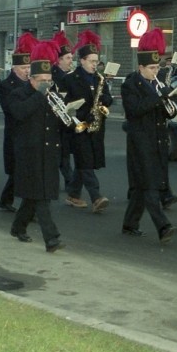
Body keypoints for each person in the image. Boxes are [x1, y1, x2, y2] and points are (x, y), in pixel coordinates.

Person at [7, 41, 66, 252]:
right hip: (29, 153)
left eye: (49, 81)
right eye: (42, 81)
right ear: (31, 79)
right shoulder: (18, 94)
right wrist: (40, 95)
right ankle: (52, 239)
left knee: (34, 197)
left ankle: (17, 226)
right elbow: (19, 113)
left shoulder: (52, 94)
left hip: (48, 151)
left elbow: (57, 123)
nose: (46, 84)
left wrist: (69, 113)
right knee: (41, 198)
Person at [120, 28, 177, 244]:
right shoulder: (130, 84)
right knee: (150, 187)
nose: (155, 71)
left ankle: (129, 224)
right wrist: (157, 97)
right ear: (141, 67)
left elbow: (163, 111)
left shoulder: (156, 84)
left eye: (157, 67)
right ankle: (163, 226)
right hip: (140, 142)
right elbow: (135, 110)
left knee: (140, 188)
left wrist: (169, 103)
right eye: (151, 68)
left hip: (157, 140)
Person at [63, 29, 113, 214]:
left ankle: (73, 193)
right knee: (85, 161)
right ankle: (96, 197)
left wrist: (106, 101)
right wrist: (83, 113)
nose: (95, 65)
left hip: (96, 127)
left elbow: (106, 96)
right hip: (78, 127)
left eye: (96, 61)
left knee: (86, 162)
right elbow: (66, 104)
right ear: (82, 61)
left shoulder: (99, 79)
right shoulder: (70, 79)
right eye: (91, 61)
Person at [0, 32, 37, 213]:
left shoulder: (32, 84)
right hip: (15, 133)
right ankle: (20, 205)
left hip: (30, 133)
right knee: (17, 171)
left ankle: (7, 200)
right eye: (23, 67)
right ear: (14, 69)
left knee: (22, 171)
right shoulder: (6, 86)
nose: (27, 71)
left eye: (29, 67)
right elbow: (11, 111)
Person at [50, 30, 75, 189]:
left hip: (66, 119)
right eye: (68, 58)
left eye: (72, 58)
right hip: (54, 120)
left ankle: (68, 180)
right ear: (58, 60)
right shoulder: (53, 75)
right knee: (59, 153)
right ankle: (68, 180)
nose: (71, 61)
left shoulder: (70, 75)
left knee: (64, 153)